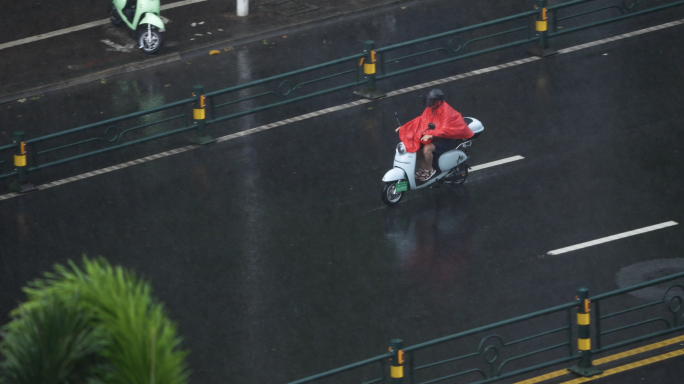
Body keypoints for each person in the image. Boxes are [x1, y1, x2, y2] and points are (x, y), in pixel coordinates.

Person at [395, 89, 474, 181]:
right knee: (414, 145)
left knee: (427, 148)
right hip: (437, 136)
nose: (429, 103)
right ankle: (424, 167)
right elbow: (421, 121)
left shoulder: (446, 111)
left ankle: (429, 169)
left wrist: (432, 134)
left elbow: (446, 128)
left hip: (448, 138)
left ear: (439, 101)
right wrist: (405, 127)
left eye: (432, 101)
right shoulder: (430, 109)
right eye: (429, 101)